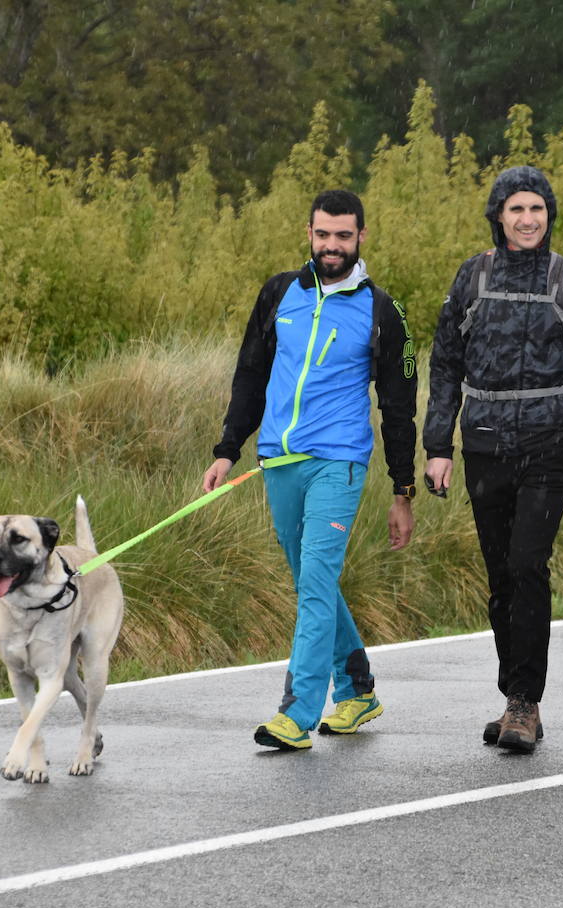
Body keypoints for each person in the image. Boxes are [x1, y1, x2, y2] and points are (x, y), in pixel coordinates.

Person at [203, 189, 417, 751]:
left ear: (361, 238)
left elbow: (398, 406)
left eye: (343, 236)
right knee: (311, 584)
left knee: (315, 585)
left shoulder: (382, 311)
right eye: (323, 235)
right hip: (279, 462)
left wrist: (403, 490)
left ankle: (296, 714)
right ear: (310, 233)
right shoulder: (280, 293)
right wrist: (228, 448)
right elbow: (250, 374)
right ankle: (358, 690)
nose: (331, 246)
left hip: (338, 464)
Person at [423, 165, 563, 754]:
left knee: (528, 565)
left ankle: (524, 704)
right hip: (484, 442)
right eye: (516, 209)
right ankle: (514, 690)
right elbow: (443, 365)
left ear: (549, 215)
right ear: (498, 216)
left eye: (536, 209)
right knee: (500, 575)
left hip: (548, 446)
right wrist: (438, 447)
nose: (527, 219)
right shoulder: (472, 277)